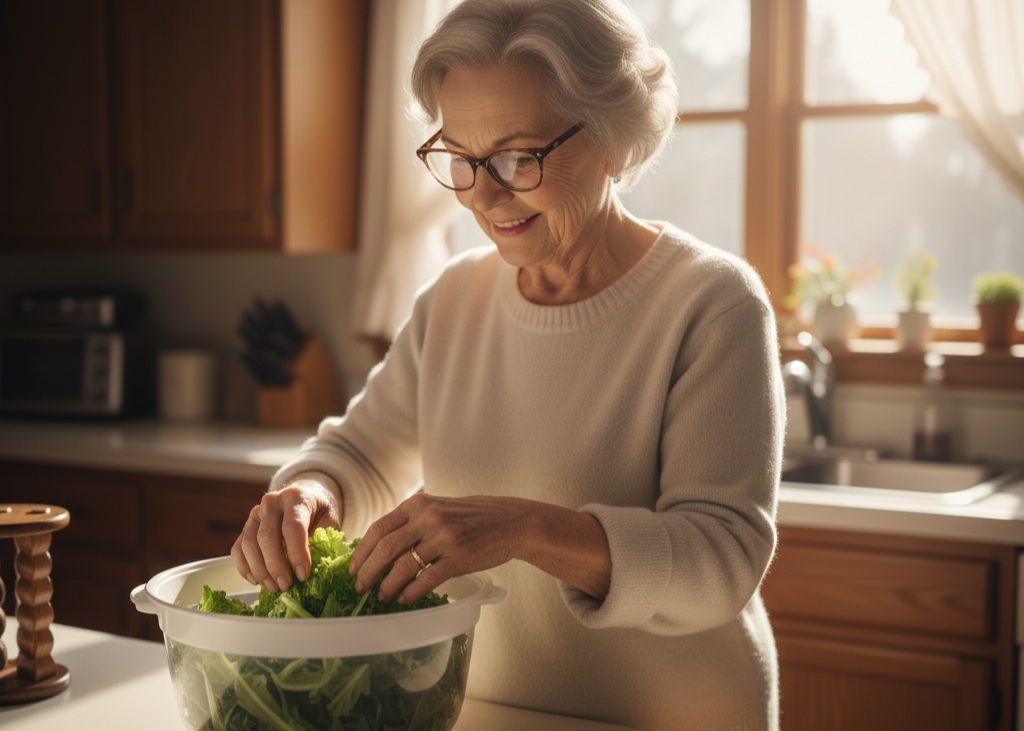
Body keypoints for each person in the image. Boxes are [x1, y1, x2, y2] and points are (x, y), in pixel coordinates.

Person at [232, 1, 785, 729]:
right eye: (461, 159)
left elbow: (721, 557)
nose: (484, 195)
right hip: (486, 712)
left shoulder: (710, 303)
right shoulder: (454, 300)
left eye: (519, 157)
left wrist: (524, 527)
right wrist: (311, 491)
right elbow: (359, 455)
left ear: (615, 138)